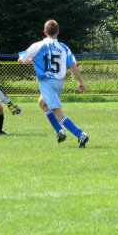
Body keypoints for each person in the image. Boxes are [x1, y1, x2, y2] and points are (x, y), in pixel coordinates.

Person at [18, 20, 89, 148]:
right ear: (58, 31)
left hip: (46, 82)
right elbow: (72, 64)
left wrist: (31, 59)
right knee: (42, 103)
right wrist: (81, 81)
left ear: (45, 32)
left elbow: (20, 59)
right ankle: (59, 131)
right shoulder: (63, 47)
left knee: (58, 114)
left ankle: (80, 134)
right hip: (58, 82)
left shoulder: (38, 45)